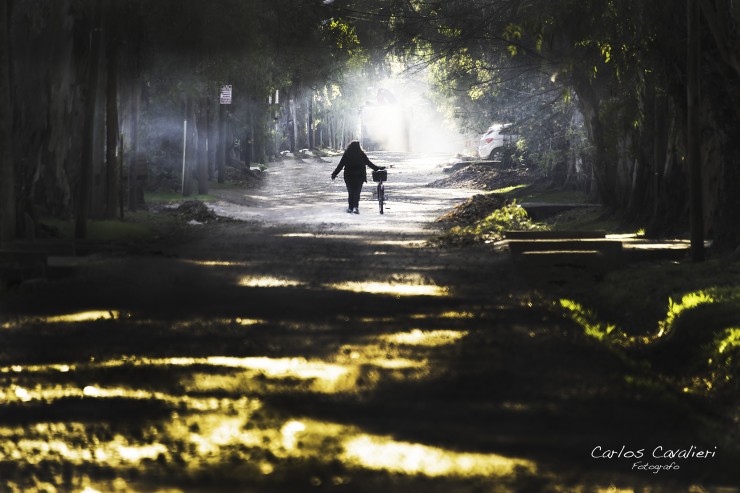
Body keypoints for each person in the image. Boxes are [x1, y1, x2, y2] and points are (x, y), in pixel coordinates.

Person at [331, 141, 384, 214]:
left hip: (348, 176)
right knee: (357, 192)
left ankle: (350, 208)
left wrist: (334, 174)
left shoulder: (347, 154)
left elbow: (340, 165)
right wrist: (378, 168)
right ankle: (355, 207)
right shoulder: (361, 154)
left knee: (350, 192)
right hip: (359, 176)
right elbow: (369, 164)